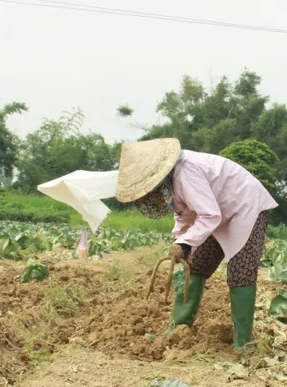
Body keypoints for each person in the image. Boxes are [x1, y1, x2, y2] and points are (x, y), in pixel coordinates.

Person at [115, 138, 278, 348]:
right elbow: (183, 213)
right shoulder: (171, 181)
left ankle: (243, 344)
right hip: (217, 210)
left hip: (244, 206)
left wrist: (185, 243)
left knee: (240, 272)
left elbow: (209, 215)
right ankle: (177, 330)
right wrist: (181, 241)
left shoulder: (186, 172)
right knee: (196, 265)